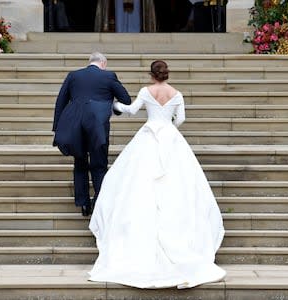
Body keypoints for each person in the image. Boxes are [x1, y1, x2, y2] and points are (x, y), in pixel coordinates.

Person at [88, 60, 226, 288]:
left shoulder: (146, 91)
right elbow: (181, 119)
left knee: (136, 184)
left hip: (149, 135)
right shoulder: (177, 94)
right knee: (178, 185)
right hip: (170, 137)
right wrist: (168, 126)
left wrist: (115, 106)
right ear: (166, 74)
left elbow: (131, 110)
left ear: (151, 75)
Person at [52, 52, 131, 216]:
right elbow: (126, 99)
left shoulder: (73, 76)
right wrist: (111, 107)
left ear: (90, 62)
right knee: (99, 165)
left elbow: (61, 101)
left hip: (75, 125)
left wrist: (57, 127)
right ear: (103, 63)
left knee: (80, 163)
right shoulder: (108, 76)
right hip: (98, 126)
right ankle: (100, 201)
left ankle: (83, 204)